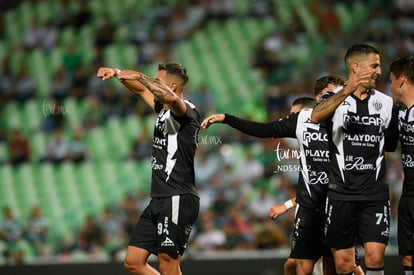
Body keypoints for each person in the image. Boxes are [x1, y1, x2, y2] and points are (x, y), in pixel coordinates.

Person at [201, 75, 365, 275]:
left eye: (340, 94)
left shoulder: (347, 121)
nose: (338, 98)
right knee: (300, 267)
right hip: (310, 206)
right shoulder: (303, 119)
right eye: (331, 94)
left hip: (338, 203)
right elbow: (264, 130)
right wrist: (227, 119)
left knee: (341, 265)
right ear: (318, 97)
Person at [97, 63, 200, 275]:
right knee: (133, 262)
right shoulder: (163, 110)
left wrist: (141, 76)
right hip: (159, 197)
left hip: (178, 195)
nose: (152, 83)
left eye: (157, 80)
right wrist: (117, 73)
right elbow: (142, 89)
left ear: (171, 86)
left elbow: (171, 98)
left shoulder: (186, 110)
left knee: (167, 263)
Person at [310, 43, 394, 275]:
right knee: (344, 264)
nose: (379, 71)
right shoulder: (335, 100)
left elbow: (392, 141)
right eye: (374, 65)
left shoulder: (386, 103)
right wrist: (346, 90)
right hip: (341, 194)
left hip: (374, 193)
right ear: (356, 67)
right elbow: (315, 116)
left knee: (375, 258)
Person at [387, 55, 414, 275]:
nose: (390, 86)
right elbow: (389, 145)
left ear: (402, 79)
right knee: (407, 253)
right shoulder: (398, 111)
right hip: (408, 191)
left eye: (391, 80)